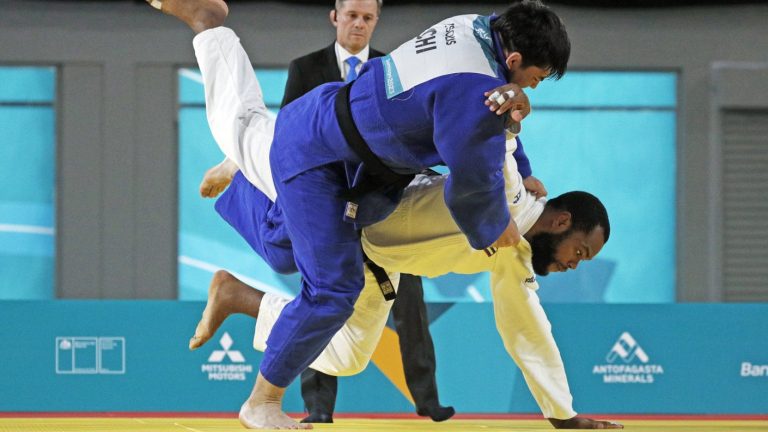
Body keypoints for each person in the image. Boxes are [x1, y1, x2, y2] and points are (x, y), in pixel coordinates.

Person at [149, 0, 570, 428]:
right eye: (534, 79)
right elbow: (472, 187)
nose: (531, 89)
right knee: (333, 289)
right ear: (513, 59)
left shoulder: (471, 27)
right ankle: (262, 402)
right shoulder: (474, 92)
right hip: (322, 161)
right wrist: (493, 229)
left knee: (281, 245)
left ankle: (245, 165)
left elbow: (492, 127)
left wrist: (523, 158)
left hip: (341, 146)